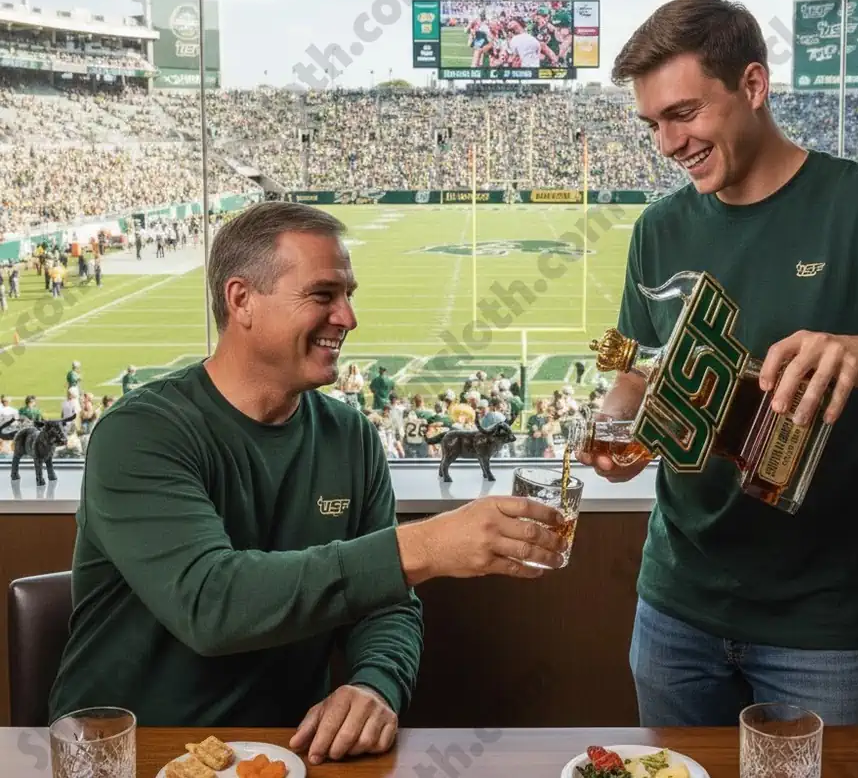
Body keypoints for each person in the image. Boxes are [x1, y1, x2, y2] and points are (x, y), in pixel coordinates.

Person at [579, 0, 858, 728]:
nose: (668, 144)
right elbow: (639, 370)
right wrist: (616, 423)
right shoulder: (658, 229)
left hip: (824, 625)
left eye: (683, 113)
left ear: (753, 85)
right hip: (675, 607)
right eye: (653, 124)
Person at [49, 201, 567, 762]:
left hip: (287, 752)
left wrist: (375, 684)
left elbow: (387, 604)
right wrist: (426, 544)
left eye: (348, 295)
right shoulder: (140, 432)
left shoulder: (350, 435)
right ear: (241, 300)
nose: (348, 317)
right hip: (134, 752)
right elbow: (209, 603)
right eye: (323, 295)